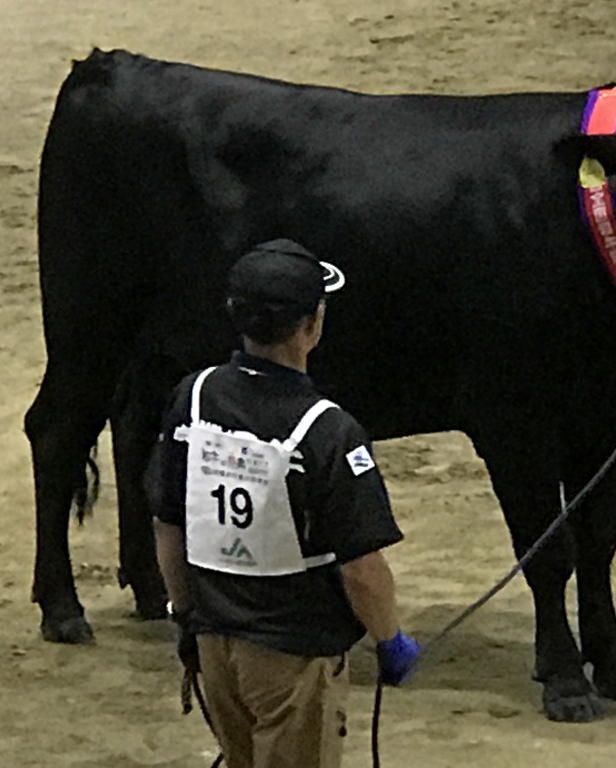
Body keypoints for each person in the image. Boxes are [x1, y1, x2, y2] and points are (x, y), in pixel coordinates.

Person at [149, 238, 420, 768]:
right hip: (292, 656)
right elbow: (362, 568)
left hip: (215, 645)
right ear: (311, 326)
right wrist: (390, 641)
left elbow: (169, 526)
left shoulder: (193, 396)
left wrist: (184, 616)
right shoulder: (329, 431)